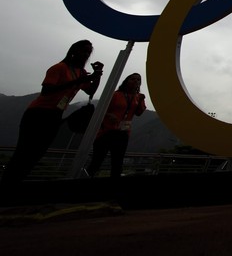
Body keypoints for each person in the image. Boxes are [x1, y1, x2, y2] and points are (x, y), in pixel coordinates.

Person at [1, 40, 103, 188]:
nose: (86, 54)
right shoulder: (59, 68)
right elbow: (46, 90)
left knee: (37, 153)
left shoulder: (80, 72)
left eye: (88, 52)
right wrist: (79, 81)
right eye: (83, 50)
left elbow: (91, 91)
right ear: (74, 51)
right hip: (38, 113)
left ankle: (15, 185)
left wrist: (97, 75)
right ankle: (6, 185)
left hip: (55, 115)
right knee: (24, 152)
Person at [84, 73, 147, 178]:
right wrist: (109, 115)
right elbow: (100, 110)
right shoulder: (115, 94)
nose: (136, 81)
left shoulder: (138, 97)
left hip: (123, 133)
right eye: (133, 79)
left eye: (138, 80)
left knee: (117, 164)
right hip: (106, 132)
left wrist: (141, 101)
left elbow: (139, 113)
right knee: (96, 161)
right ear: (126, 81)